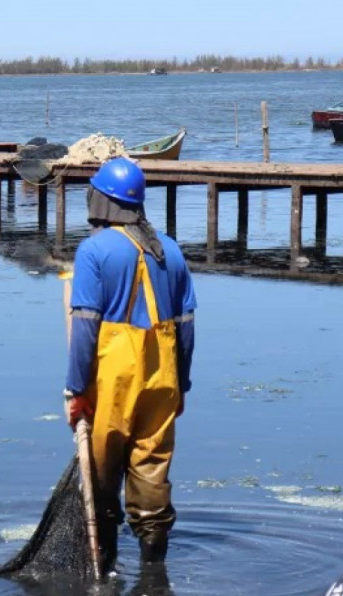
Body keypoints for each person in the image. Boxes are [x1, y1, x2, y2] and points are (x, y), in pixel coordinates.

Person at [64, 157, 196, 568]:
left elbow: (85, 327)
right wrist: (182, 385)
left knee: (103, 475)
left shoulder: (94, 250)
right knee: (152, 468)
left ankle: (104, 563)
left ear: (102, 200)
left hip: (114, 377)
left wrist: (75, 389)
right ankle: (154, 568)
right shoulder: (170, 250)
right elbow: (186, 327)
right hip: (164, 375)